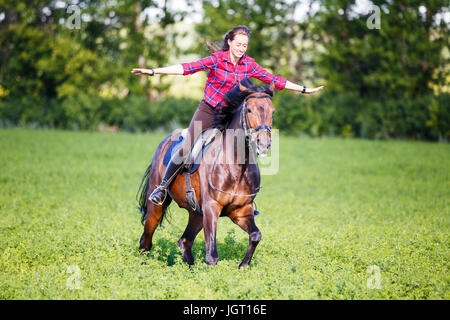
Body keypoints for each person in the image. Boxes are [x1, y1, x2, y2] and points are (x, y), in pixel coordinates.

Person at [132, 25, 324, 205]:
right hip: (209, 110)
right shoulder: (216, 59)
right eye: (239, 44)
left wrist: (304, 89)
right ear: (230, 42)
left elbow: (274, 79)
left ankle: (246, 198)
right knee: (187, 147)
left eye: (245, 45)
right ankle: (162, 187)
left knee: (246, 149)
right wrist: (152, 71)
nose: (242, 48)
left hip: (232, 113)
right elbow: (186, 68)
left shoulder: (249, 64)